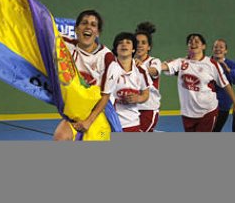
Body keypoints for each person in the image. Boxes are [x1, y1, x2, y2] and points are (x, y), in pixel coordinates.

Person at [53, 10, 123, 140]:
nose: (88, 27)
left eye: (93, 24)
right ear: (76, 29)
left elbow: (105, 96)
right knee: (60, 136)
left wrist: (89, 121)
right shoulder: (65, 46)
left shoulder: (107, 58)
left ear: (97, 32)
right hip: (76, 113)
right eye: (84, 23)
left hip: (100, 114)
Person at [161, 33, 235, 132]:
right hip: (191, 111)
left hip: (214, 108)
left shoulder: (217, 64)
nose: (193, 43)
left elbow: (230, 83)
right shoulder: (187, 62)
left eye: (221, 47)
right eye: (190, 41)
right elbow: (167, 68)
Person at [111, 32, 150, 132]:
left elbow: (146, 93)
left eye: (128, 42)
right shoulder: (108, 67)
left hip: (132, 123)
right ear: (116, 49)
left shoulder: (140, 69)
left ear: (133, 49)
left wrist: (138, 98)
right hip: (111, 122)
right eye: (120, 43)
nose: (124, 44)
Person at [134, 22, 162, 132]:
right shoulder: (128, 62)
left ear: (149, 47)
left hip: (148, 109)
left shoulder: (154, 61)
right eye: (137, 42)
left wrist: (141, 66)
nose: (140, 45)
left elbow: (154, 71)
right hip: (131, 109)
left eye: (143, 43)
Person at [211, 39, 235, 132]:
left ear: (226, 51)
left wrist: (228, 70)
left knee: (216, 130)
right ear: (212, 49)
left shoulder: (232, 65)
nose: (218, 49)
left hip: (223, 105)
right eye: (215, 47)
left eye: (221, 47)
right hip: (205, 104)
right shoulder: (205, 62)